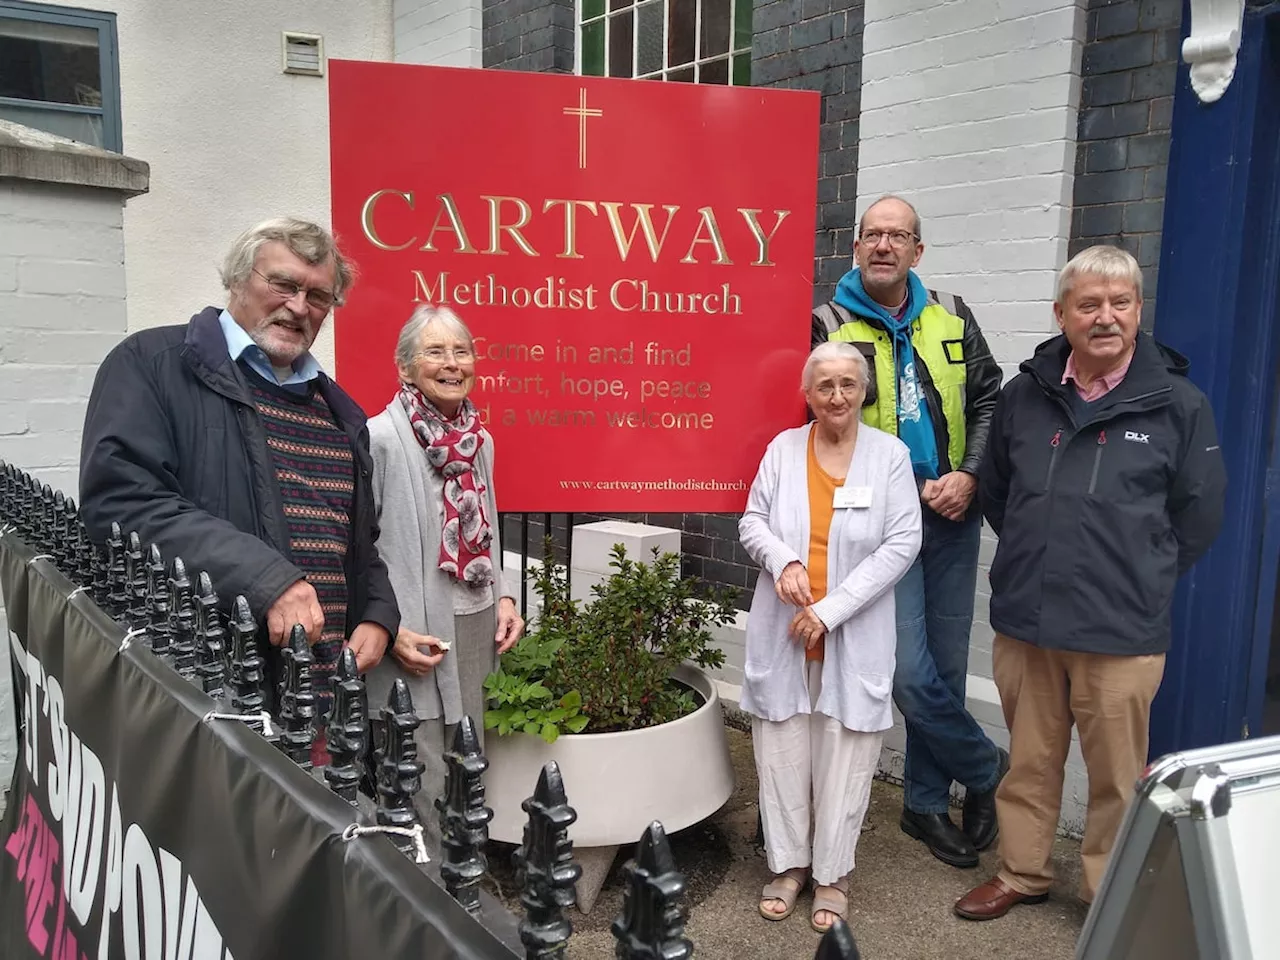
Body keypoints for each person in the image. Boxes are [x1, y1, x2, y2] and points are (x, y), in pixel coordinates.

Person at [955, 245, 1227, 920]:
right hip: (1029, 621)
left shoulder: (1178, 405)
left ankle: (1110, 896)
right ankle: (1022, 873)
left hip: (1121, 628)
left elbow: (1200, 513)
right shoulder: (1024, 395)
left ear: (1138, 311)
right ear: (1062, 314)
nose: (1106, 317)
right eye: (1089, 304)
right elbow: (998, 493)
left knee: (1115, 777)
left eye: (1120, 303)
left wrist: (1140, 577)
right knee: (1030, 763)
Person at [79, 218, 399, 719]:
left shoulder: (340, 412)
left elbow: (357, 541)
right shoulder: (152, 365)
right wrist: (265, 580)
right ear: (237, 279)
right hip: (211, 691)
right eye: (284, 284)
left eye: (319, 296)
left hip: (324, 703)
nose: (299, 307)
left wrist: (378, 613)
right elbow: (123, 505)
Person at [811, 195, 1007, 868]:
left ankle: (926, 804)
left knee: (946, 669)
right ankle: (987, 770)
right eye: (873, 235)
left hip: (952, 515)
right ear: (856, 248)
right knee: (906, 671)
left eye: (897, 236)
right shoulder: (827, 323)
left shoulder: (951, 314)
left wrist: (972, 473)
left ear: (917, 251)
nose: (884, 245)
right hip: (877, 528)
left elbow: (987, 398)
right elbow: (818, 421)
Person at [739, 341, 922, 933]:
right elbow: (753, 521)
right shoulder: (784, 450)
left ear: (863, 390)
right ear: (808, 394)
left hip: (850, 633)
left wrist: (831, 609)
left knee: (845, 754)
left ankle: (833, 874)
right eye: (825, 386)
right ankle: (789, 867)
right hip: (785, 630)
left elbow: (902, 542)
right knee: (784, 748)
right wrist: (784, 561)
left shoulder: (889, 456)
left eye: (848, 384)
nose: (837, 396)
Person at [365, 304, 524, 834]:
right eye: (435, 352)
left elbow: (491, 526)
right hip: (414, 627)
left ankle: (467, 871)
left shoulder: (482, 441)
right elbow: (356, 547)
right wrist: (385, 626)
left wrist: (504, 597)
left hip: (476, 619)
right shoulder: (380, 439)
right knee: (420, 764)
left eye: (462, 351)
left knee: (470, 758)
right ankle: (429, 891)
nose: (452, 363)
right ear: (406, 367)